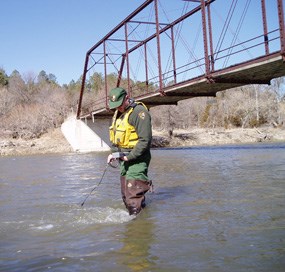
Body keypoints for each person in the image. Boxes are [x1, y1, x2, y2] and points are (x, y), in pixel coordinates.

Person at [107, 87, 153, 216]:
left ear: (127, 98)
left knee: (133, 194)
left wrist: (130, 156)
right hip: (123, 158)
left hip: (137, 158)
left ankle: (137, 229)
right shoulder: (118, 113)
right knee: (125, 194)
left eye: (120, 104)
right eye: (115, 106)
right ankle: (138, 219)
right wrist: (113, 153)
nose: (118, 108)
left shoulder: (139, 112)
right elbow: (115, 138)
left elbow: (145, 140)